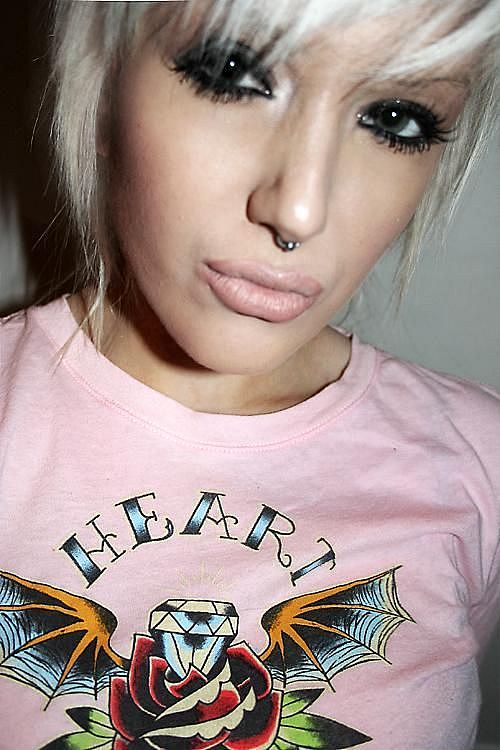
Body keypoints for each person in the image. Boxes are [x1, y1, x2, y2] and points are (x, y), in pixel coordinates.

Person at [0, 1, 499, 748]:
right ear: (103, 86)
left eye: (396, 119)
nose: (298, 210)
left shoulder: (480, 461)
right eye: (231, 74)